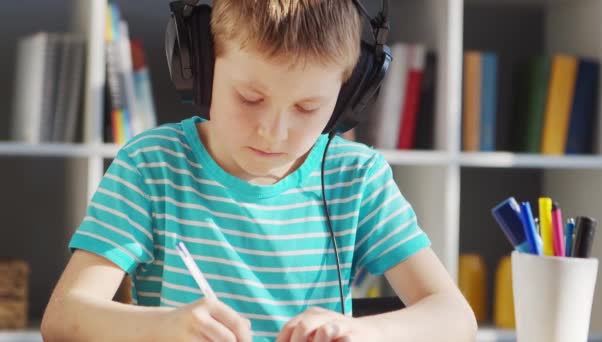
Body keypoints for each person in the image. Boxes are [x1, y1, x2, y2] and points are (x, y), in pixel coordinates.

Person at [41, 0, 476, 341]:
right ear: (204, 69)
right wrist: (165, 328)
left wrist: (365, 332)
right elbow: (63, 318)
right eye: (250, 98)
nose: (273, 133)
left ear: (347, 99)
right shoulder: (152, 165)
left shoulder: (357, 178)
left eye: (308, 108)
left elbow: (455, 317)